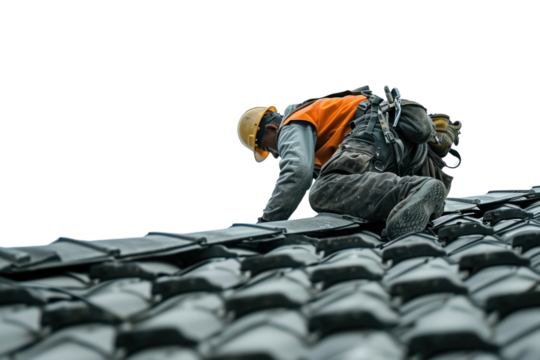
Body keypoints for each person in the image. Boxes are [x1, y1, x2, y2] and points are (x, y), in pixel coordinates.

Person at [237, 84, 457, 240]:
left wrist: (267, 225)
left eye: (269, 148)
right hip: (405, 153)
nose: (276, 155)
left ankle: (412, 190)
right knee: (341, 193)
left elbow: (297, 172)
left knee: (324, 190)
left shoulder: (292, 122)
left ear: (272, 129)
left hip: (373, 134)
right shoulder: (322, 131)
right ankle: (414, 194)